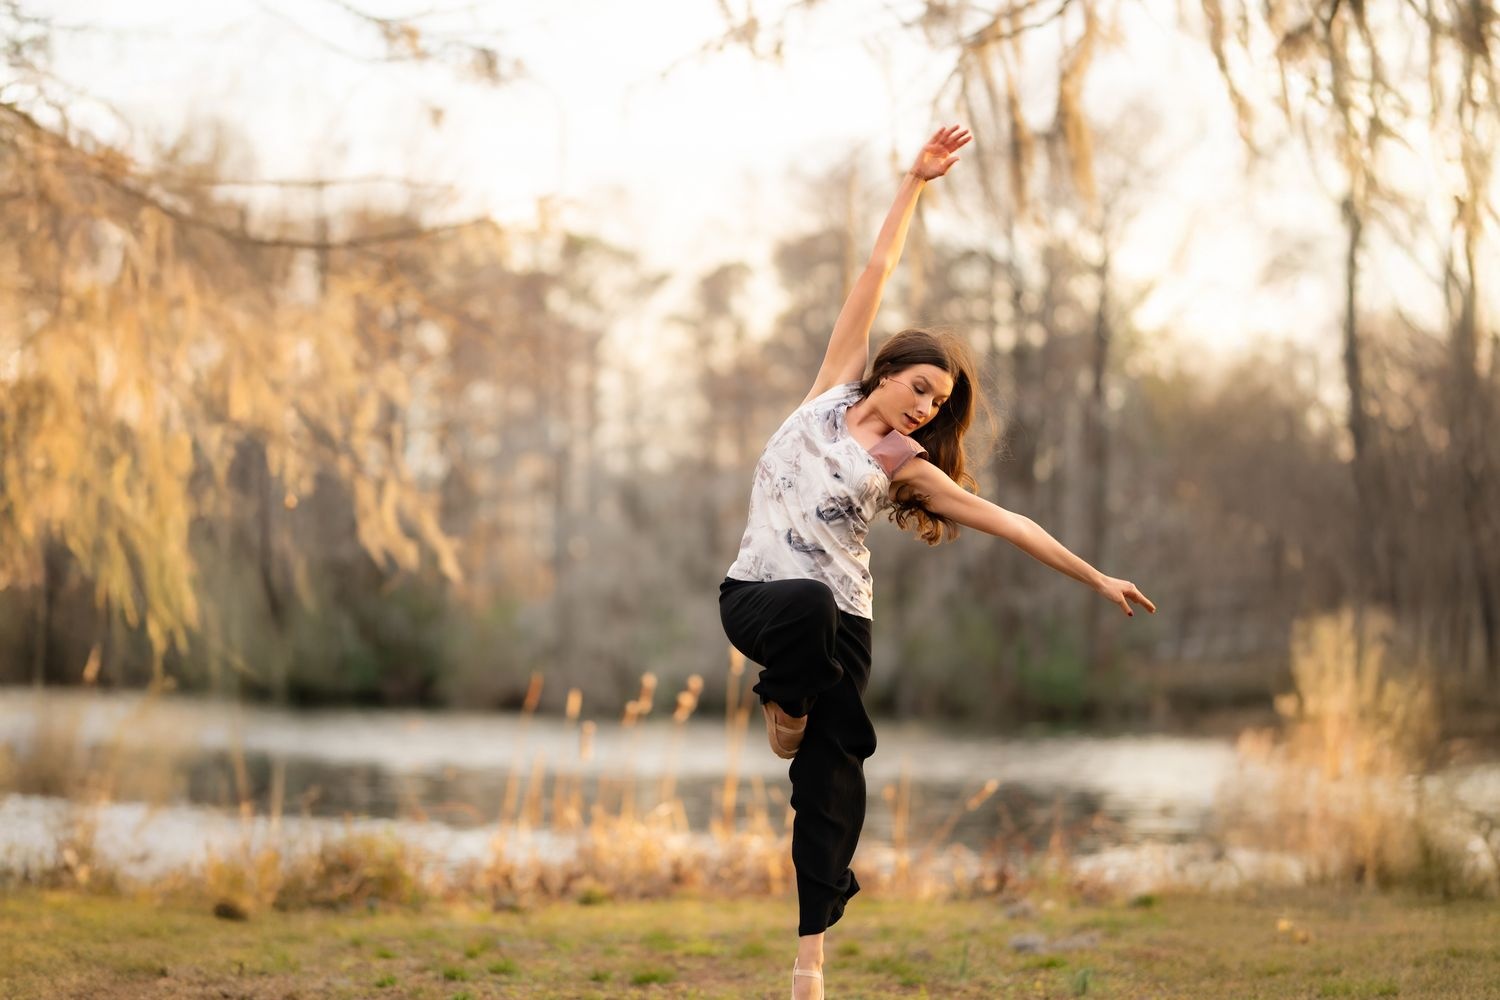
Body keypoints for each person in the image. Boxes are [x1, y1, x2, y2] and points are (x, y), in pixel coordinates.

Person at [717, 125, 1157, 1000]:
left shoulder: (909, 469)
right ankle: (784, 703)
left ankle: (809, 964)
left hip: (843, 628)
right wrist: (913, 184)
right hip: (758, 600)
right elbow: (874, 273)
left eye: (940, 404)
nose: (926, 408)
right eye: (921, 387)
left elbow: (1013, 522)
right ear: (886, 371)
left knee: (832, 790)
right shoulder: (829, 391)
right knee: (800, 603)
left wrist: (1095, 575)